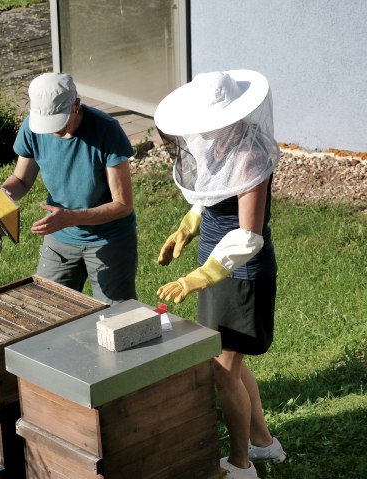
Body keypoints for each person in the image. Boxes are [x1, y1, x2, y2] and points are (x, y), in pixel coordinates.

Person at [153, 70, 286, 479]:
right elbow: (210, 195)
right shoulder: (218, 144)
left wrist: (198, 277)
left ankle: (241, 465)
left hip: (241, 275)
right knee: (228, 361)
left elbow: (248, 236)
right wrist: (186, 228)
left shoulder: (251, 154)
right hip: (216, 268)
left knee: (222, 369)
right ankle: (264, 444)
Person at [0, 72, 137, 305]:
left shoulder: (107, 131)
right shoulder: (32, 127)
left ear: (76, 105)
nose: (52, 132)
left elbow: (123, 205)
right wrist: (1, 193)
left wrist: (72, 217)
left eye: (58, 123)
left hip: (109, 239)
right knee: (49, 307)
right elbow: (21, 180)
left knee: (118, 317)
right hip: (60, 238)